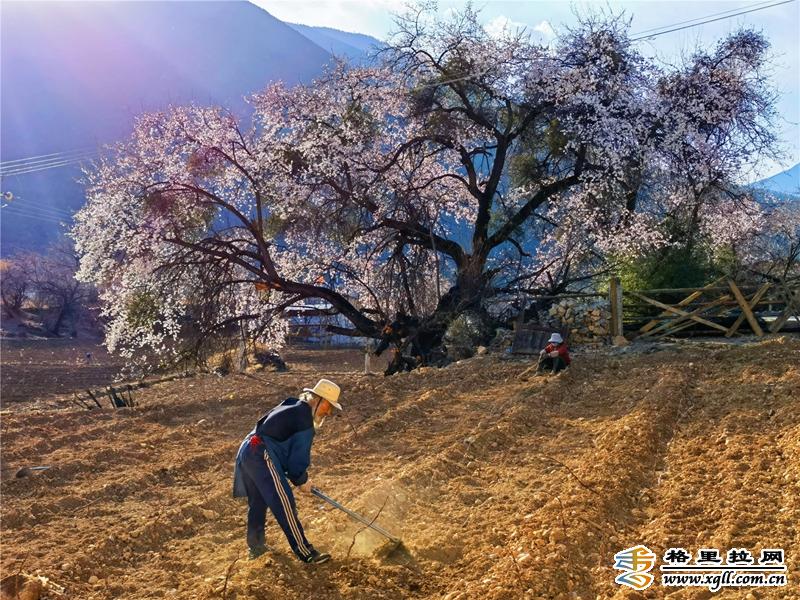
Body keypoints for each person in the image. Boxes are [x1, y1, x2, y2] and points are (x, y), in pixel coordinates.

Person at [233, 379, 342, 563]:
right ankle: (306, 552)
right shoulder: (304, 420)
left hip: (248, 450)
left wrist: (297, 476)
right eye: (328, 407)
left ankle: (256, 548)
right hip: (261, 455)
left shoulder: (293, 404)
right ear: (318, 400)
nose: (329, 413)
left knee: (258, 503)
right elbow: (296, 462)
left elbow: (278, 440)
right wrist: (302, 480)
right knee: (284, 502)